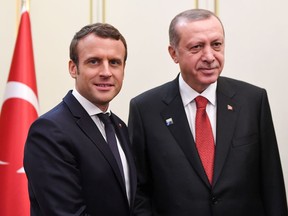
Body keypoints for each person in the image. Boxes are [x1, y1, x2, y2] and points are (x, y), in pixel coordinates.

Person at [128, 8, 288, 216]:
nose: (210, 56)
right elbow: (139, 191)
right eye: (197, 47)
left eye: (216, 44)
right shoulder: (145, 109)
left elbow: (272, 183)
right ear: (174, 53)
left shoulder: (253, 100)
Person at [24, 23, 137, 215]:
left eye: (114, 62)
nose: (106, 72)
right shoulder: (49, 131)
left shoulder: (119, 126)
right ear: (73, 68)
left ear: (123, 69)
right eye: (94, 61)